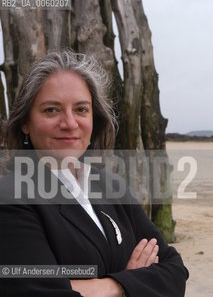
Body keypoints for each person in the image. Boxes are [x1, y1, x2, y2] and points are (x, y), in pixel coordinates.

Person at [0, 50, 188, 296]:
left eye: (81, 109)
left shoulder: (110, 186)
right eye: (51, 110)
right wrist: (130, 282)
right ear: (26, 122)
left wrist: (105, 286)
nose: (69, 123)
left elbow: (174, 271)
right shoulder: (12, 197)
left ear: (94, 118)